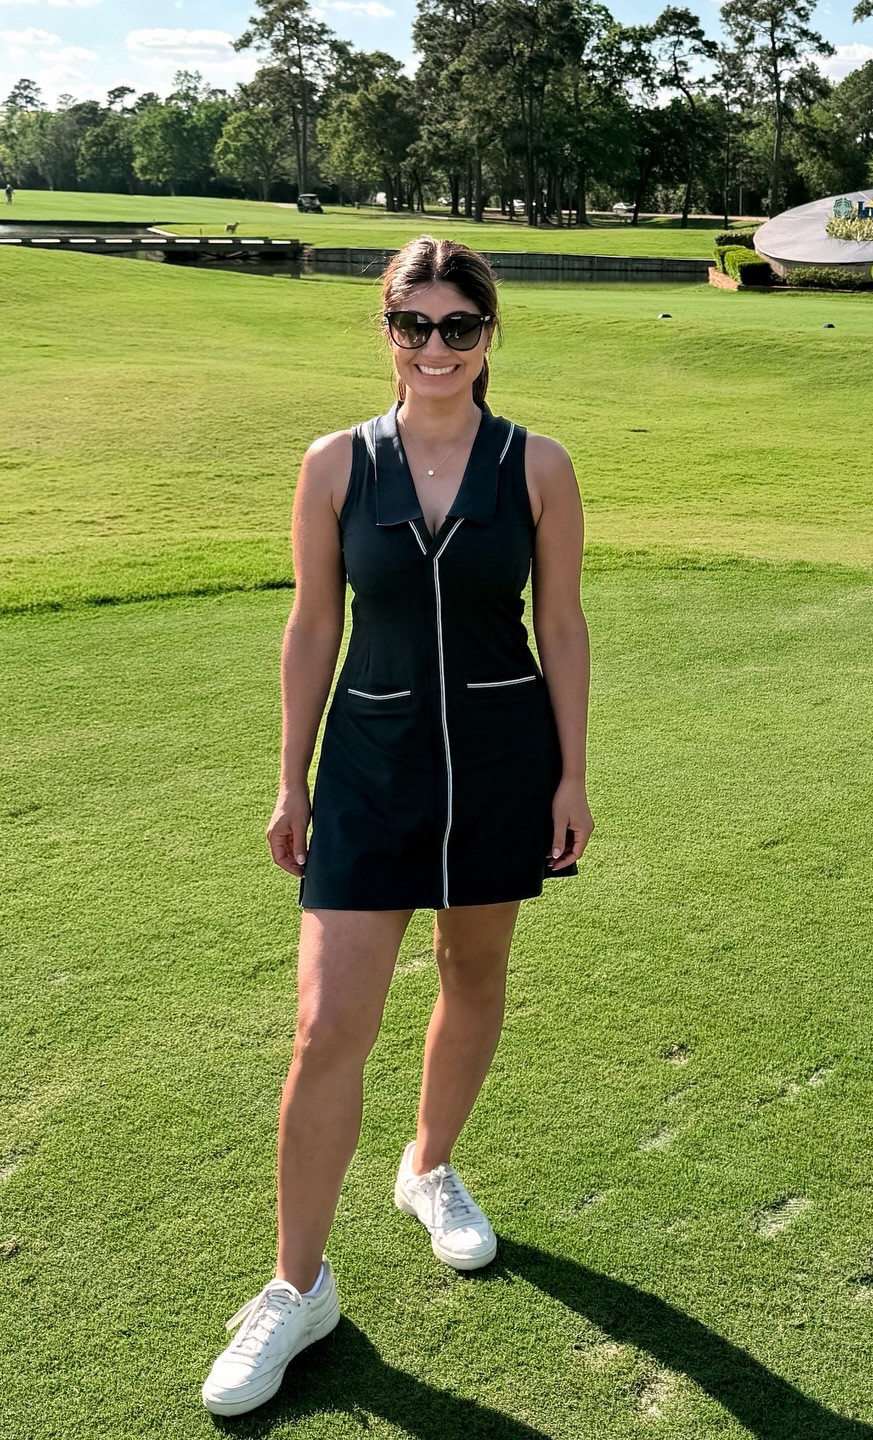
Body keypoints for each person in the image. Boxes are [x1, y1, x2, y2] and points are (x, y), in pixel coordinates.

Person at [201, 235, 594, 1417]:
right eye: (413, 324)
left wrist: (574, 775)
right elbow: (312, 629)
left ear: (489, 337)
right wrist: (291, 777)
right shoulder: (333, 465)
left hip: (500, 763)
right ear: (385, 331)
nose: (435, 346)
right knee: (327, 1026)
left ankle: (427, 1169)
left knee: (471, 972)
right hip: (368, 771)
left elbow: (562, 627)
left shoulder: (539, 465)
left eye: (458, 326)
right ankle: (297, 1287)